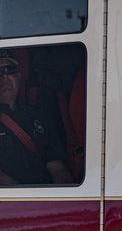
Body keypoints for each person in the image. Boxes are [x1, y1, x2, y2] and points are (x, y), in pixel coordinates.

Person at [0, 49, 73, 186]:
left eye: (10, 70)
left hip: (45, 199)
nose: (4, 76)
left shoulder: (39, 116)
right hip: (17, 203)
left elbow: (57, 168)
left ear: (19, 75)